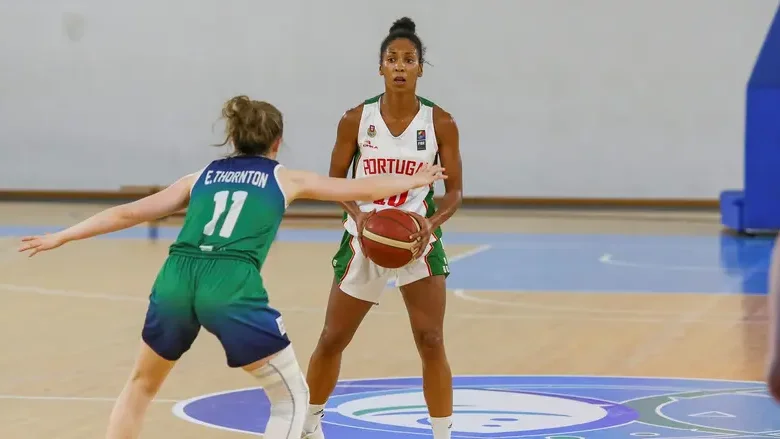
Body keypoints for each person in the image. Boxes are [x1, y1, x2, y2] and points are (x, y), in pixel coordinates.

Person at [16, 95, 447, 439]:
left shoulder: (199, 176)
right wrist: (414, 180)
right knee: (292, 399)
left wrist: (62, 235)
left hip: (175, 278)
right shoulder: (285, 178)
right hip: (229, 284)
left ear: (234, 139)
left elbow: (129, 213)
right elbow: (356, 187)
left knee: (140, 387)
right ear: (276, 143)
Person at [302, 16, 463, 439]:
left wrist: (431, 223)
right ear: (380, 67)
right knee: (332, 338)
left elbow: (455, 192)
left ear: (420, 68)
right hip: (364, 241)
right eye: (391, 59)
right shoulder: (356, 119)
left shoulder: (440, 122)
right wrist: (359, 218)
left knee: (431, 340)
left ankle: (442, 434)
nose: (399, 66)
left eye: (408, 59)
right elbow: (334, 183)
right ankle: (308, 425)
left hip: (417, 241)